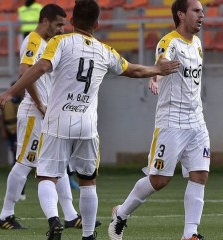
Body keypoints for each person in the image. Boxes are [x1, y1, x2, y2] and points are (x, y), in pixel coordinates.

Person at [0, 0, 180, 239]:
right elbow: (133, 70)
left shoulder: (59, 42)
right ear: (97, 24)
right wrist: (157, 70)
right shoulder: (105, 50)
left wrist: (10, 92)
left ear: (71, 22)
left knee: (46, 175)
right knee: (88, 181)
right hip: (87, 124)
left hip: (58, 119)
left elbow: (40, 67)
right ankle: (88, 235)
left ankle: (53, 219)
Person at [108, 1, 208, 240]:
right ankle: (121, 213)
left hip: (197, 120)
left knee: (200, 174)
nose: (202, 15)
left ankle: (189, 235)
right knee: (160, 179)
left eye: (203, 11)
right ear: (181, 14)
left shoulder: (197, 43)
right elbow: (163, 63)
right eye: (196, 11)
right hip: (172, 120)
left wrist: (158, 76)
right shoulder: (169, 41)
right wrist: (156, 76)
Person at [0, 3, 96, 231]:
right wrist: (40, 102)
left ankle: (70, 215)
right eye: (59, 24)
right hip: (34, 111)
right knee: (24, 163)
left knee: (57, 166)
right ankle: (6, 215)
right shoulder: (33, 40)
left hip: (48, 112)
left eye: (64, 24)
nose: (62, 29)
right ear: (45, 21)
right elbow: (24, 72)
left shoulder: (49, 43)